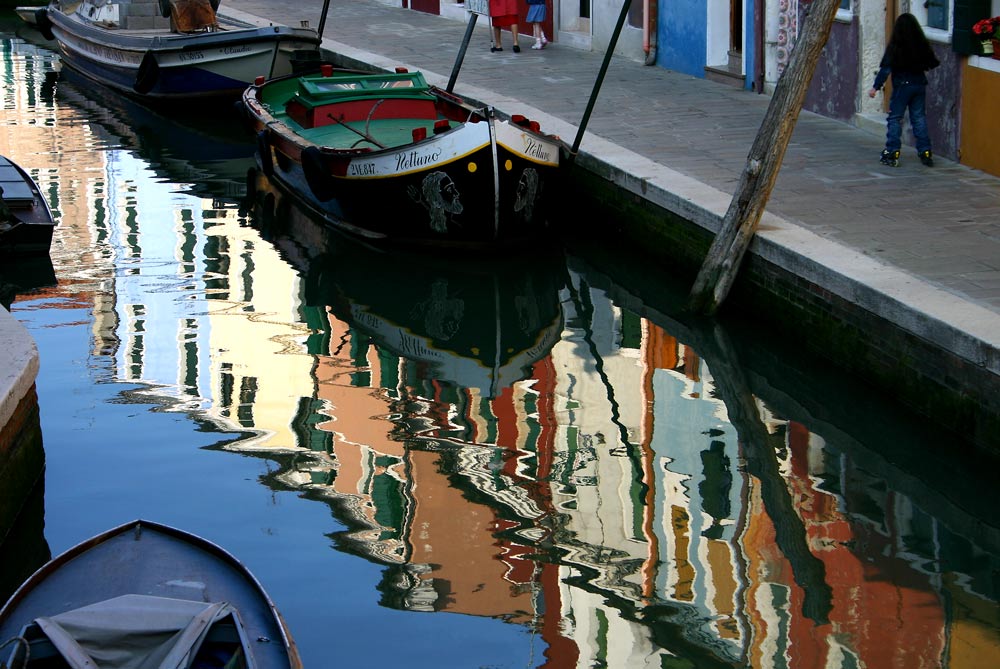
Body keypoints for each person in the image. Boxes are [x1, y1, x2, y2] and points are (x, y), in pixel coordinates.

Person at [867, 13, 940, 167]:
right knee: (919, 118)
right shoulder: (920, 44)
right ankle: (925, 151)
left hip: (902, 86)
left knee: (895, 118)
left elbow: (885, 69)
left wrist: (875, 87)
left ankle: (892, 152)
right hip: (919, 84)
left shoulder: (896, 46)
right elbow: (932, 62)